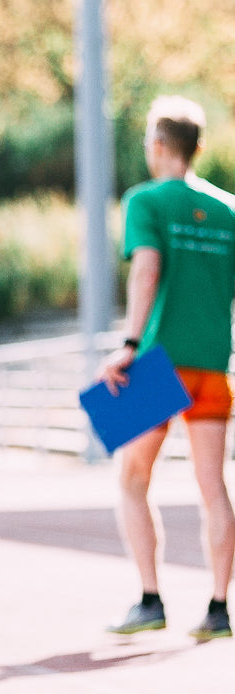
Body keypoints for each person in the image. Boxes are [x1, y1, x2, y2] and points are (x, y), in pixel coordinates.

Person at [99, 96, 235, 642]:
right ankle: (220, 608)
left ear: (157, 146)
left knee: (132, 478)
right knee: (213, 485)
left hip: (158, 360)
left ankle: (150, 600)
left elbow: (146, 271)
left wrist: (129, 343)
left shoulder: (145, 200)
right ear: (198, 148)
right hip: (211, 363)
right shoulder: (229, 208)